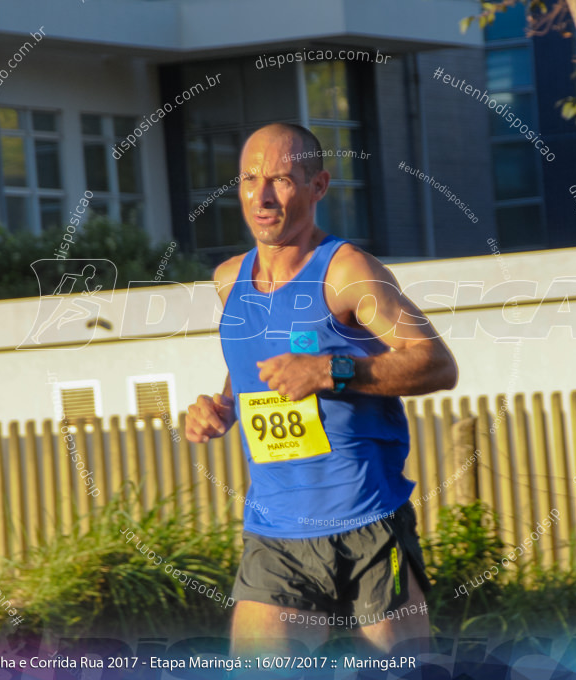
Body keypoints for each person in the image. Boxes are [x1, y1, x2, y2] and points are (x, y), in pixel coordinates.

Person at [186, 123, 458, 657]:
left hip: (368, 523)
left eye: (282, 180)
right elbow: (253, 367)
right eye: (249, 179)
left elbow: (436, 364)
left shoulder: (346, 272)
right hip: (276, 532)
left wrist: (332, 372)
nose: (262, 196)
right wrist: (220, 407)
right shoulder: (227, 281)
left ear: (318, 185)